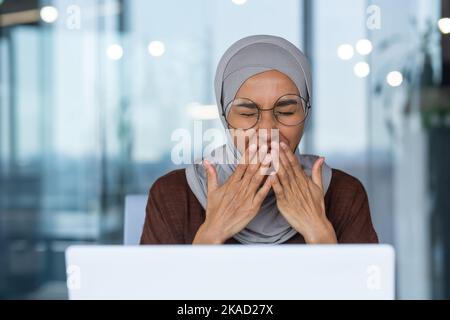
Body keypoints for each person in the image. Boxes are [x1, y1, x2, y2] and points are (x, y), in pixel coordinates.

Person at [140, 35, 378, 245]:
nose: (266, 129)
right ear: (225, 117)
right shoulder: (173, 195)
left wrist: (319, 233)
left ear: (306, 114)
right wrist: (211, 234)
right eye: (247, 113)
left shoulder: (344, 193)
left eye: (286, 112)